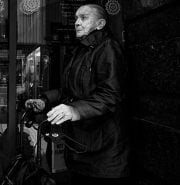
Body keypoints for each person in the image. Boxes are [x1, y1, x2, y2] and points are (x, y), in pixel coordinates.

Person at [25, 4, 130, 185]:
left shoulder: (108, 49)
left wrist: (75, 111)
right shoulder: (79, 51)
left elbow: (110, 95)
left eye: (83, 18)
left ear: (100, 24)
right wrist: (44, 100)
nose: (77, 23)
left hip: (104, 153)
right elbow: (68, 91)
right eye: (75, 18)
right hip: (80, 148)